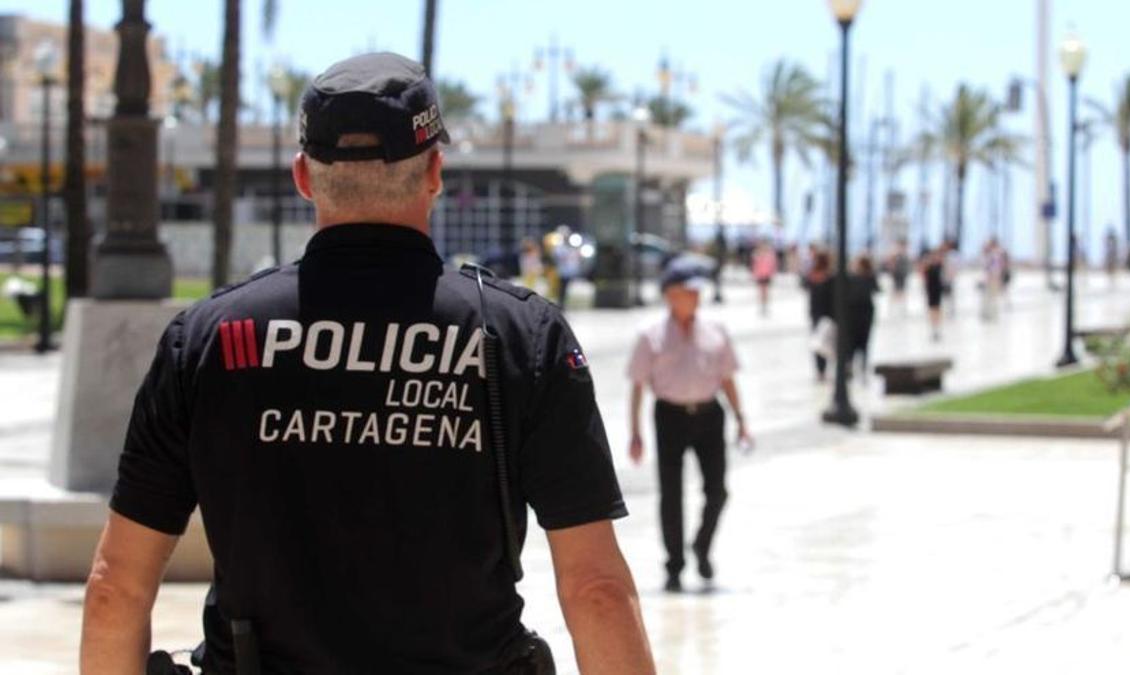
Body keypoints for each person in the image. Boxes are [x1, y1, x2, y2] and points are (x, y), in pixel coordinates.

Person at [80, 53, 655, 675]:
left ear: (303, 176)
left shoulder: (209, 340)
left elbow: (117, 587)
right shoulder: (520, 336)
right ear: (435, 170)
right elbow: (595, 587)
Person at [627, 261, 750, 592]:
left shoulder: (716, 329)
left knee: (718, 490)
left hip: (710, 416)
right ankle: (674, 565)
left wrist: (741, 420)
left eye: (697, 291)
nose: (696, 296)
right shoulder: (650, 334)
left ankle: (702, 546)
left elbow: (728, 378)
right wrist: (635, 433)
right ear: (671, 295)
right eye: (689, 291)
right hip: (669, 416)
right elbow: (638, 385)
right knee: (671, 493)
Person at [847, 254, 879, 377]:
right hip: (860, 313)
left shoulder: (863, 277)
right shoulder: (865, 277)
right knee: (859, 342)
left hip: (860, 314)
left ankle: (858, 365)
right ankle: (857, 365)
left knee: (858, 342)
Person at [805, 249, 835, 381]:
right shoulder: (828, 277)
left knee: (820, 342)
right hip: (826, 313)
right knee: (823, 342)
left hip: (818, 313)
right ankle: (822, 370)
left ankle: (820, 371)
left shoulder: (814, 276)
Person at [920, 245, 945, 341]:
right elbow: (923, 276)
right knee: (932, 309)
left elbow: (943, 276)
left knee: (938, 309)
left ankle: (937, 327)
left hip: (938, 289)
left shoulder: (940, 265)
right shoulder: (928, 266)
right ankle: (933, 328)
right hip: (930, 289)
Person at [750, 240, 778, 316]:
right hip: (760, 275)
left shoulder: (770, 256)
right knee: (761, 291)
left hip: (767, 275)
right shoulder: (757, 255)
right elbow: (754, 266)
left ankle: (765, 306)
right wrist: (755, 274)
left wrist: (772, 273)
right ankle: (762, 306)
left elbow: (773, 266)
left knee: (766, 291)